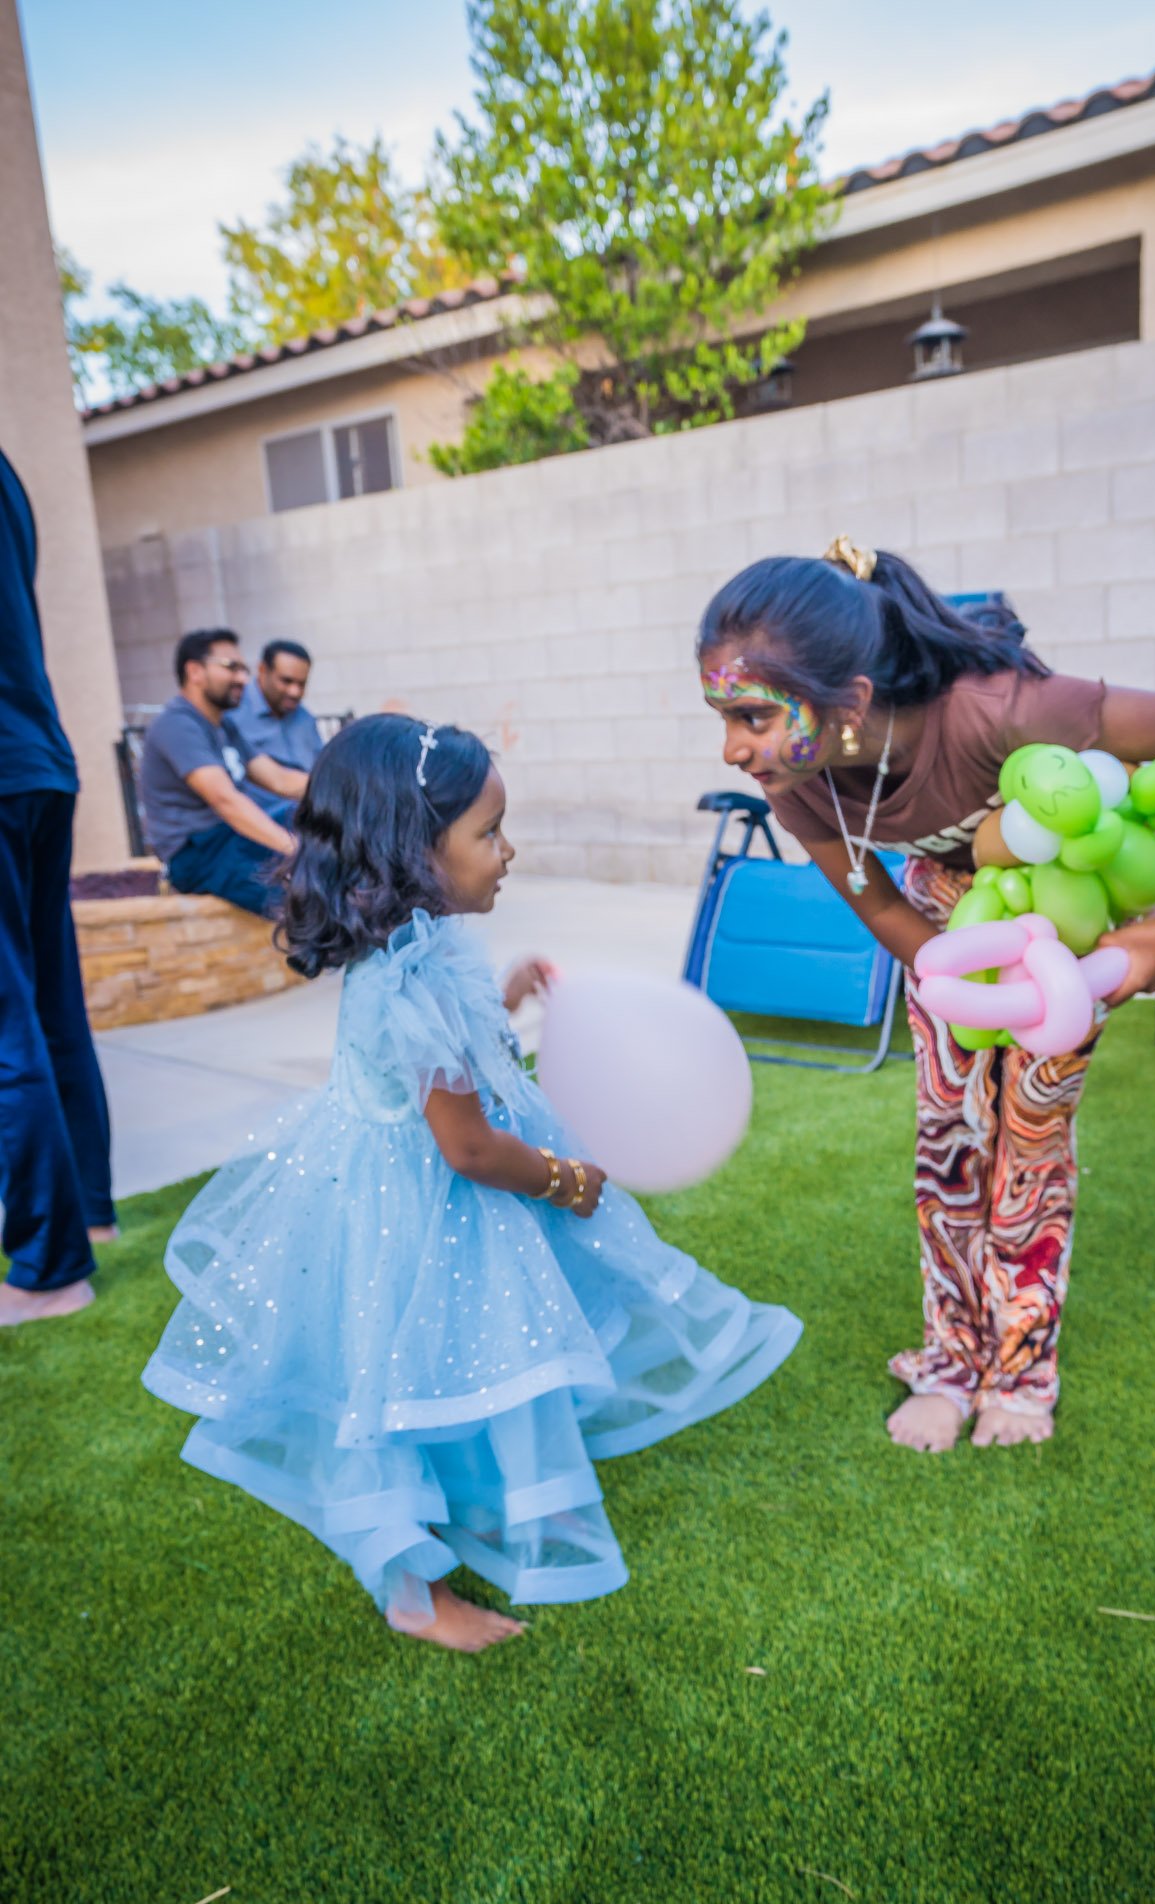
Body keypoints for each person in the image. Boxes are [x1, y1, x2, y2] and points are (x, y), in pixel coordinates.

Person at [140, 715, 800, 1653]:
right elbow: (473, 1151)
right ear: (414, 851)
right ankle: (414, 1595)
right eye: (488, 833)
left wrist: (510, 989)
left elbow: (453, 1034)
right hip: (415, 1206)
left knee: (461, 1358)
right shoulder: (404, 983)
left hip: (412, 1182)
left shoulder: (428, 938)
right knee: (397, 1382)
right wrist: (568, 1180)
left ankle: (467, 1506)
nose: (508, 850)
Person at [696, 538, 1155, 1454]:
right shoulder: (796, 780)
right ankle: (949, 1360)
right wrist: (954, 980)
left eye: (750, 714)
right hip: (946, 922)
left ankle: (1018, 1371)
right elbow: (874, 900)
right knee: (949, 1144)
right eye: (720, 715)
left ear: (852, 700)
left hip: (1062, 913)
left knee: (1030, 1144)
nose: (731, 746)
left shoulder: (1001, 713)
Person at [0, 447, 116, 1329]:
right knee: (50, 1006)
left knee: (9, 1027)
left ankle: (49, 1272)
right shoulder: (7, 471)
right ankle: (95, 1212)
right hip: (40, 760)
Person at [139, 628, 301, 916]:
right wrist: (292, 847)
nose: (243, 678)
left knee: (305, 815)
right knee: (299, 901)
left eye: (243, 669)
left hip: (231, 838)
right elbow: (224, 800)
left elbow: (278, 779)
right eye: (231, 667)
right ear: (195, 671)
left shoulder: (223, 725)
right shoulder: (177, 725)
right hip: (197, 854)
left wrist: (345, 784)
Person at [231, 638, 323, 774]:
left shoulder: (305, 718)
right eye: (286, 681)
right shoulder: (233, 714)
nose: (295, 692)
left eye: (302, 684)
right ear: (262, 670)